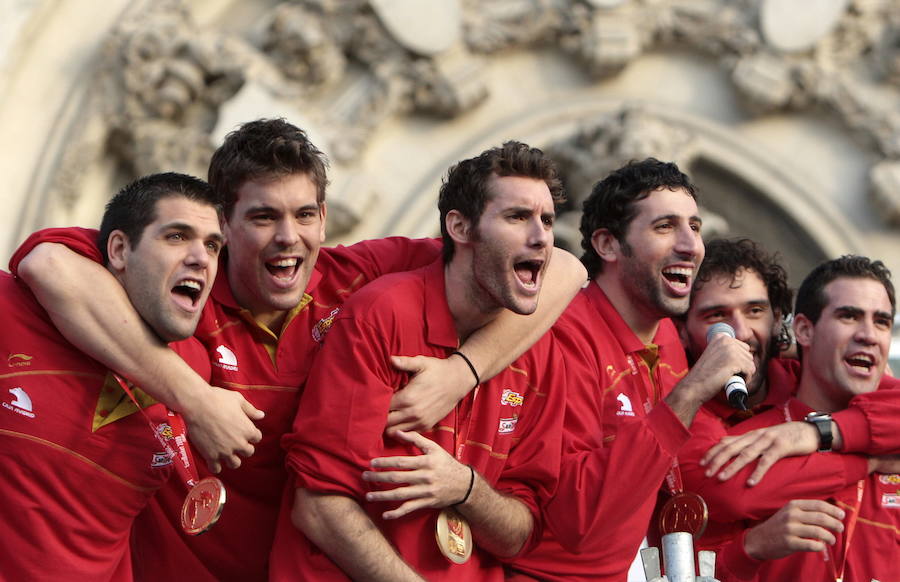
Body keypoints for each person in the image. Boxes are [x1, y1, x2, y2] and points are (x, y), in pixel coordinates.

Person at [9, 119, 585, 581]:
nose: (289, 237)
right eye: (263, 216)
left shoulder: (359, 277)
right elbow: (47, 264)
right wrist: (196, 399)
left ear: (324, 220)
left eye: (304, 214)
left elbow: (562, 266)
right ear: (225, 225)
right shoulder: (179, 287)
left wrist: (462, 373)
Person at [270, 141, 570, 581]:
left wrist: (465, 488)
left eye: (546, 220)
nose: (541, 236)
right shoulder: (382, 312)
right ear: (460, 227)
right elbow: (317, 507)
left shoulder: (540, 350)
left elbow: (520, 535)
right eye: (517, 217)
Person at [507, 159, 755, 581]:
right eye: (665, 227)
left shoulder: (667, 336)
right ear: (607, 245)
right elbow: (578, 517)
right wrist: (689, 393)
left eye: (694, 227)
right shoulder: (562, 335)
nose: (691, 245)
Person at [0, 173, 222, 580]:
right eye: (176, 236)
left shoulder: (201, 370)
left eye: (212, 245)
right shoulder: (10, 306)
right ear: (119, 249)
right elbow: (48, 261)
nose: (201, 258)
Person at [677, 243, 900, 581]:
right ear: (803, 330)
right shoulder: (744, 444)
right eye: (849, 316)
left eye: (881, 322)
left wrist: (819, 432)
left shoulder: (891, 420)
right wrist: (750, 549)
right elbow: (695, 572)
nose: (868, 335)